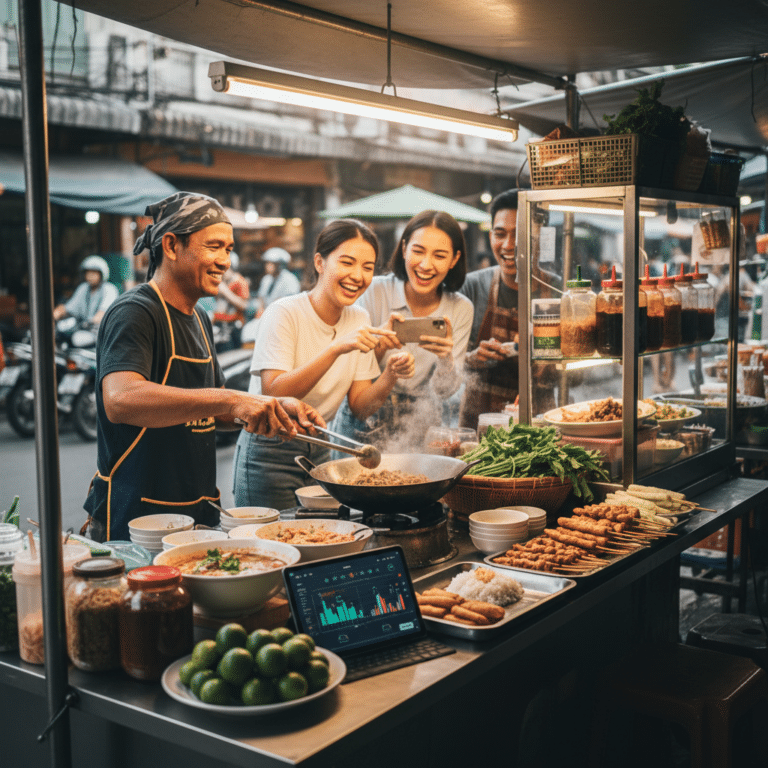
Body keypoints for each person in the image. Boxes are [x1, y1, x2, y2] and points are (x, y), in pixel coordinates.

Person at [83, 192, 323, 542]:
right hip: (137, 518)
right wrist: (228, 399)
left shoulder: (200, 319)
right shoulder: (134, 312)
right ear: (170, 245)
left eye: (228, 249)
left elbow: (212, 415)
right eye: (214, 247)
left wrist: (264, 410)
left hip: (196, 512)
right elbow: (121, 400)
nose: (225, 261)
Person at [233, 219, 415, 511]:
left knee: (320, 537)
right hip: (268, 448)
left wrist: (390, 374)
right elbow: (273, 391)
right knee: (269, 543)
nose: (358, 275)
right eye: (347, 263)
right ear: (319, 262)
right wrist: (336, 348)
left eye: (367, 267)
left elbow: (360, 406)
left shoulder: (358, 319)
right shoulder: (285, 312)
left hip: (320, 447)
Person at [331, 210, 472, 450]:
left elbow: (445, 391)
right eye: (418, 251)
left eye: (439, 255)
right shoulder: (372, 292)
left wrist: (445, 358)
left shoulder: (460, 307)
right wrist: (379, 348)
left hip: (421, 422)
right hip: (364, 417)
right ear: (404, 248)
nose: (426, 265)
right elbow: (348, 372)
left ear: (454, 259)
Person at [458, 189, 559, 429]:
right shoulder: (472, 287)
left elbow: (577, 376)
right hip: (477, 430)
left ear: (539, 236)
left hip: (539, 428)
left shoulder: (558, 290)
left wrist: (545, 356)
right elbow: (444, 366)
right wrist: (472, 358)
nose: (509, 245)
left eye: (520, 235)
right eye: (500, 234)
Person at [53, 255, 119, 326]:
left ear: (102, 274)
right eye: (88, 272)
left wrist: (89, 322)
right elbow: (70, 307)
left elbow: (103, 313)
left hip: (102, 330)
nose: (90, 276)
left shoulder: (109, 289)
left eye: (94, 272)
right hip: (85, 328)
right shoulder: (83, 288)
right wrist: (56, 313)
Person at [213, 251, 250, 350]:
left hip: (232, 328)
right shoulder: (222, 282)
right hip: (219, 326)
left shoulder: (240, 282)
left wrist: (226, 292)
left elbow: (244, 305)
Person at [255, 247, 301, 317]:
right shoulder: (266, 279)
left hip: (282, 316)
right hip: (266, 316)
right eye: (267, 263)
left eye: (271, 263)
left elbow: (288, 302)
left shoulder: (290, 279)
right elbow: (261, 299)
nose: (267, 266)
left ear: (280, 265)